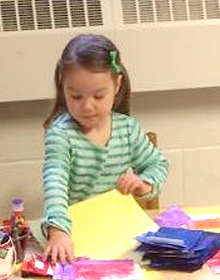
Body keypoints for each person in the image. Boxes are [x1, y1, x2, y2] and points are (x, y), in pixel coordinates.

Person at [42, 33, 169, 264]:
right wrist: (58, 230)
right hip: (76, 238)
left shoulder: (127, 129)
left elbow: (157, 165)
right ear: (63, 88)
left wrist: (144, 184)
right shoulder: (60, 134)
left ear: (117, 85)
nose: (87, 106)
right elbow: (55, 183)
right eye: (76, 96)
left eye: (98, 96)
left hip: (120, 237)